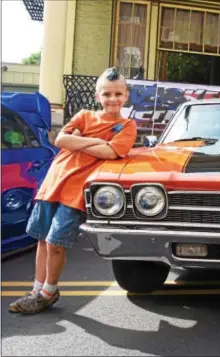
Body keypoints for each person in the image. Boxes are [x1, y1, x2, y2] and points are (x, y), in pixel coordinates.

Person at [8, 67, 137, 314]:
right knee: (42, 239)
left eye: (117, 94)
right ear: (98, 95)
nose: (112, 99)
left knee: (57, 242)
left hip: (77, 192)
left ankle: (48, 292)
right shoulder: (85, 115)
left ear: (126, 95)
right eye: (107, 94)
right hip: (53, 183)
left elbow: (111, 152)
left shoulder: (127, 126)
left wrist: (79, 141)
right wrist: (98, 142)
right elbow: (60, 141)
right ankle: (36, 289)